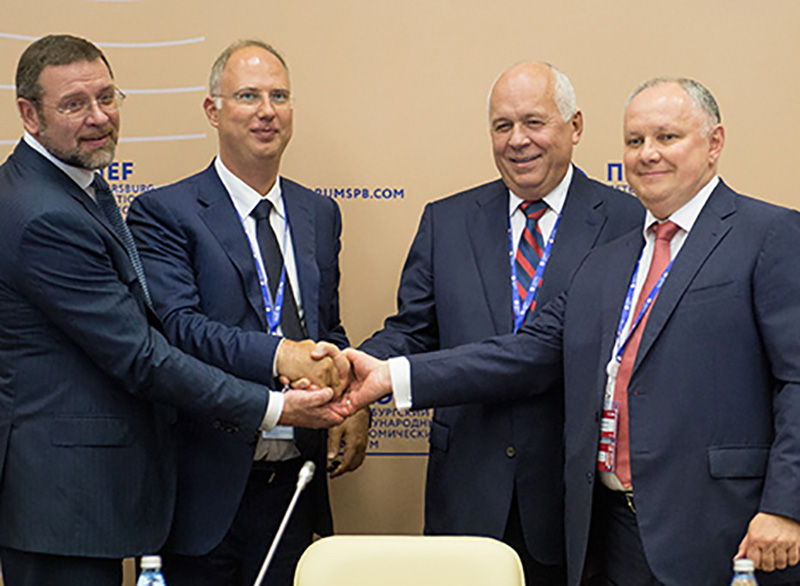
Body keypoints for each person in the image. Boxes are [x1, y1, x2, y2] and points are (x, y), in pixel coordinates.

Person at [332, 78, 800, 585]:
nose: (648, 154)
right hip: (613, 530)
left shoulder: (768, 234)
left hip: (720, 528)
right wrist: (386, 376)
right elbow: (530, 351)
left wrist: (786, 505)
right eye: (635, 141)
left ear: (714, 143)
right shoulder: (614, 258)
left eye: (667, 137)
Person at [0, 34, 343, 586]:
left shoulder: (81, 186)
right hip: (65, 499)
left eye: (106, 98)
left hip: (100, 496)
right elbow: (145, 353)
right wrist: (277, 404)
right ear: (29, 115)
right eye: (74, 104)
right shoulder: (42, 212)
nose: (98, 117)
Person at [356, 61, 642, 583]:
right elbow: (413, 330)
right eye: (502, 125)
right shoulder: (446, 220)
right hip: (467, 490)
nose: (517, 140)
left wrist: (387, 379)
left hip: (571, 500)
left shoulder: (628, 222)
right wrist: (358, 368)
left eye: (534, 122)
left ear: (575, 126)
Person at [127, 40, 368, 586]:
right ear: (212, 110)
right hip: (205, 492)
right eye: (248, 96)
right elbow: (180, 330)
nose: (267, 111)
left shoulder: (319, 213)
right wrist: (280, 355)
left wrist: (352, 396)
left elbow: (325, 327)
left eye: (279, 96)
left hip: (295, 488)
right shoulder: (165, 212)